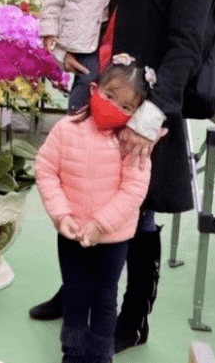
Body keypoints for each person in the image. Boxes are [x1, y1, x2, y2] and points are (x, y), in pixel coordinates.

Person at [30, 0, 215, 355]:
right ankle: (77, 290)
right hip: (104, 97)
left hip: (146, 109)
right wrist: (67, 50)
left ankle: (133, 319)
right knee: (85, 192)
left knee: (140, 211)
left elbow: (186, 48)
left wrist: (150, 118)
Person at [35, 56, 154, 363]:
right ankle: (72, 353)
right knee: (74, 293)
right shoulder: (66, 129)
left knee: (104, 297)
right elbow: (46, 169)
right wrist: (61, 215)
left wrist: (101, 225)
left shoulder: (133, 144)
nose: (115, 107)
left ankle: (101, 355)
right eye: (109, 95)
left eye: (126, 106)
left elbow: (134, 190)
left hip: (112, 239)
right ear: (93, 89)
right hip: (71, 234)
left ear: (137, 112)